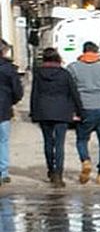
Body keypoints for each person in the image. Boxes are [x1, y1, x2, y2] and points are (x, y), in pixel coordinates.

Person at [68, 41, 100, 185]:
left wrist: (72, 110)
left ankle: (85, 161)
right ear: (96, 52)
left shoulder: (73, 68)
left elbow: (69, 90)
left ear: (83, 51)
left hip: (84, 110)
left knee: (82, 140)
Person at [30, 48, 83, 187]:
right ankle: (58, 175)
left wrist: (33, 112)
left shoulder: (38, 74)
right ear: (58, 58)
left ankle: (51, 170)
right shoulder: (65, 74)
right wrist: (80, 111)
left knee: (48, 142)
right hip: (62, 112)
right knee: (59, 144)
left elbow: (34, 93)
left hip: (43, 111)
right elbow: (74, 93)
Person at [0, 42, 24, 185]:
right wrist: (12, 102)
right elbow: (17, 90)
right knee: (3, 141)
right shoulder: (8, 69)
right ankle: (3, 172)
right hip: (3, 108)